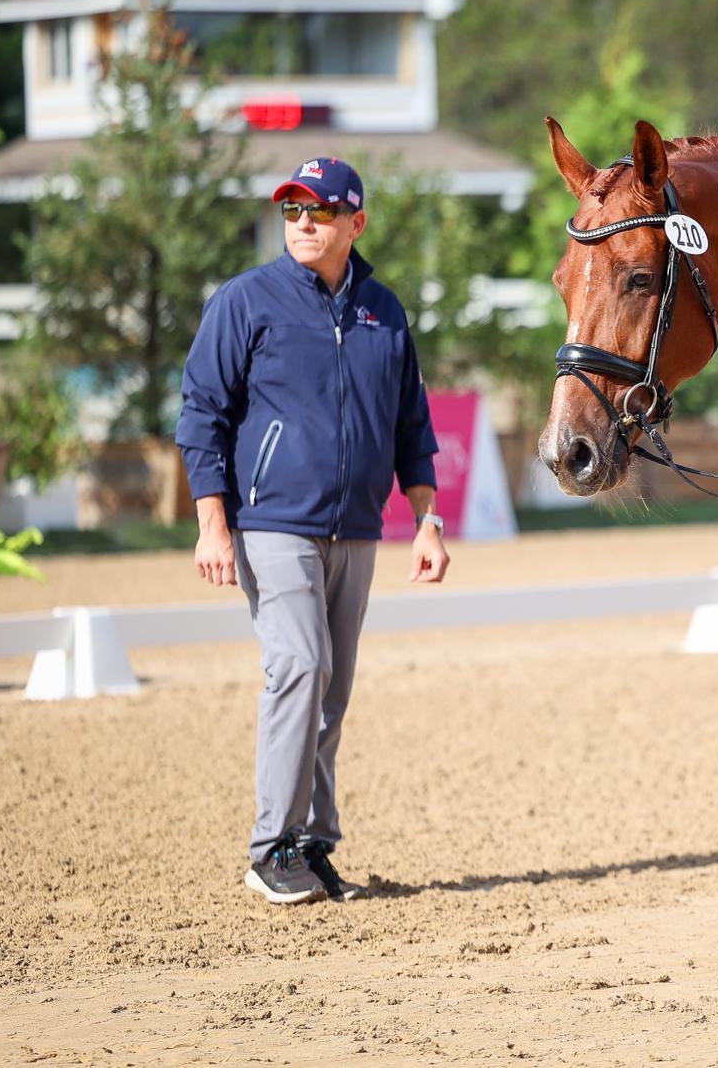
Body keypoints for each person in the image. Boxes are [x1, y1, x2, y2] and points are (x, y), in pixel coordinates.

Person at [177, 155, 449, 905]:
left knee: (333, 689)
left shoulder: (383, 311)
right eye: (292, 211)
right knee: (299, 666)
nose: (302, 223)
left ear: (354, 223)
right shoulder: (245, 301)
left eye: (319, 211)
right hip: (273, 524)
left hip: (357, 530)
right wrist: (212, 523)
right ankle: (270, 848)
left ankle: (312, 843)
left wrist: (425, 521)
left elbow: (411, 429)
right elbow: (201, 413)